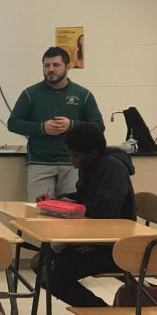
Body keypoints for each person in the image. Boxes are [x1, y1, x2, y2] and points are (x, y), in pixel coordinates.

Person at [35, 123, 136, 315]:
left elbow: (106, 209)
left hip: (115, 246)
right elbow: (85, 196)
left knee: (53, 276)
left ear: (93, 154)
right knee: (43, 263)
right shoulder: (89, 165)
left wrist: (73, 207)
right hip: (97, 239)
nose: (72, 162)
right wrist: (59, 200)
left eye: (76, 157)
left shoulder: (112, 168)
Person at [8, 46, 103, 201]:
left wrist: (72, 125)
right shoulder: (30, 94)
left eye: (56, 65)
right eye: (47, 65)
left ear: (67, 66)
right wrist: (41, 128)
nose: (51, 69)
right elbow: (13, 123)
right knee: (38, 213)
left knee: (72, 213)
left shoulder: (83, 95)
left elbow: (98, 126)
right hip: (40, 163)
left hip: (73, 164)